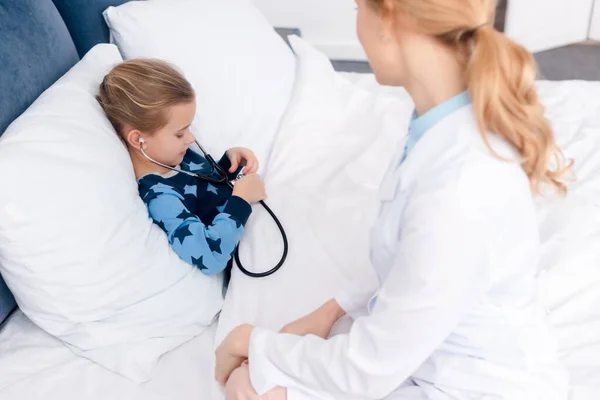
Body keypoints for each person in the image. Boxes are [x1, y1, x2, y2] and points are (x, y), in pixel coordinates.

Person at [215, 0, 573, 399]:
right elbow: (409, 254)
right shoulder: (439, 124)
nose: (357, 25)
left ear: (389, 17)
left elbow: (367, 369)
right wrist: (331, 308)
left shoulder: (458, 189)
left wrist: (250, 341)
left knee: (249, 388)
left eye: (356, 9)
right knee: (254, 380)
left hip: (475, 384)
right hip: (433, 354)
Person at [97, 59, 266, 277]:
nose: (190, 138)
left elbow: (206, 191)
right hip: (255, 256)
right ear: (138, 139)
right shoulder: (160, 196)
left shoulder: (174, 156)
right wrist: (241, 200)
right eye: (180, 133)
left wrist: (228, 165)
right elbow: (211, 258)